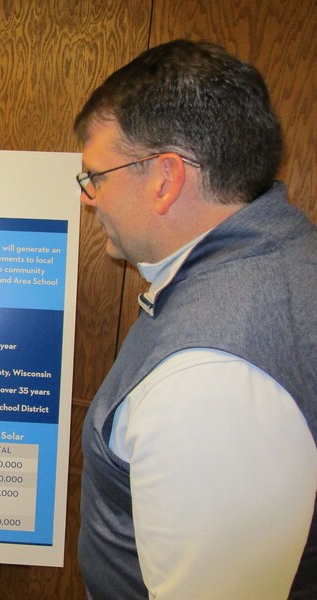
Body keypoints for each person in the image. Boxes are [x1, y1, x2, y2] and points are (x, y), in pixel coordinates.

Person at [74, 40, 316, 599]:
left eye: (96, 178)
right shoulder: (280, 255)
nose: (89, 200)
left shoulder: (209, 378)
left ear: (165, 178)